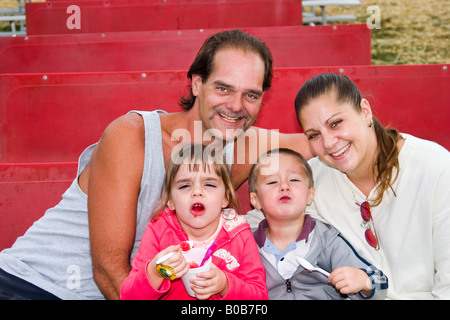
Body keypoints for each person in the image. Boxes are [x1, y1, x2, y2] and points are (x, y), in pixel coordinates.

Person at [0, 29, 312, 299]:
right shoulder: (132, 135)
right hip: (29, 283)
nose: (235, 106)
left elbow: (328, 141)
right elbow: (108, 271)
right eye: (223, 88)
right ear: (196, 83)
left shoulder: (243, 145)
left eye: (251, 95)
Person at [294, 73, 450, 299]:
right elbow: (271, 222)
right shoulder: (312, 180)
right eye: (314, 135)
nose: (328, 143)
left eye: (336, 123)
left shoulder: (435, 168)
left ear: (365, 111)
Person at [120, 144, 268, 300]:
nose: (197, 191)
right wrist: (155, 272)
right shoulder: (159, 229)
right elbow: (128, 296)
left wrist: (225, 285)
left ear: (225, 198)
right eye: (185, 186)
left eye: (209, 184)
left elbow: (259, 297)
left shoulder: (239, 234)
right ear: (170, 200)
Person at [248, 148, 387, 300]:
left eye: (294, 180)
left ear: (310, 195)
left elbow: (380, 283)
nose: (284, 186)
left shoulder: (327, 240)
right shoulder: (245, 245)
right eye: (272, 182)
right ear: (255, 200)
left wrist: (364, 282)